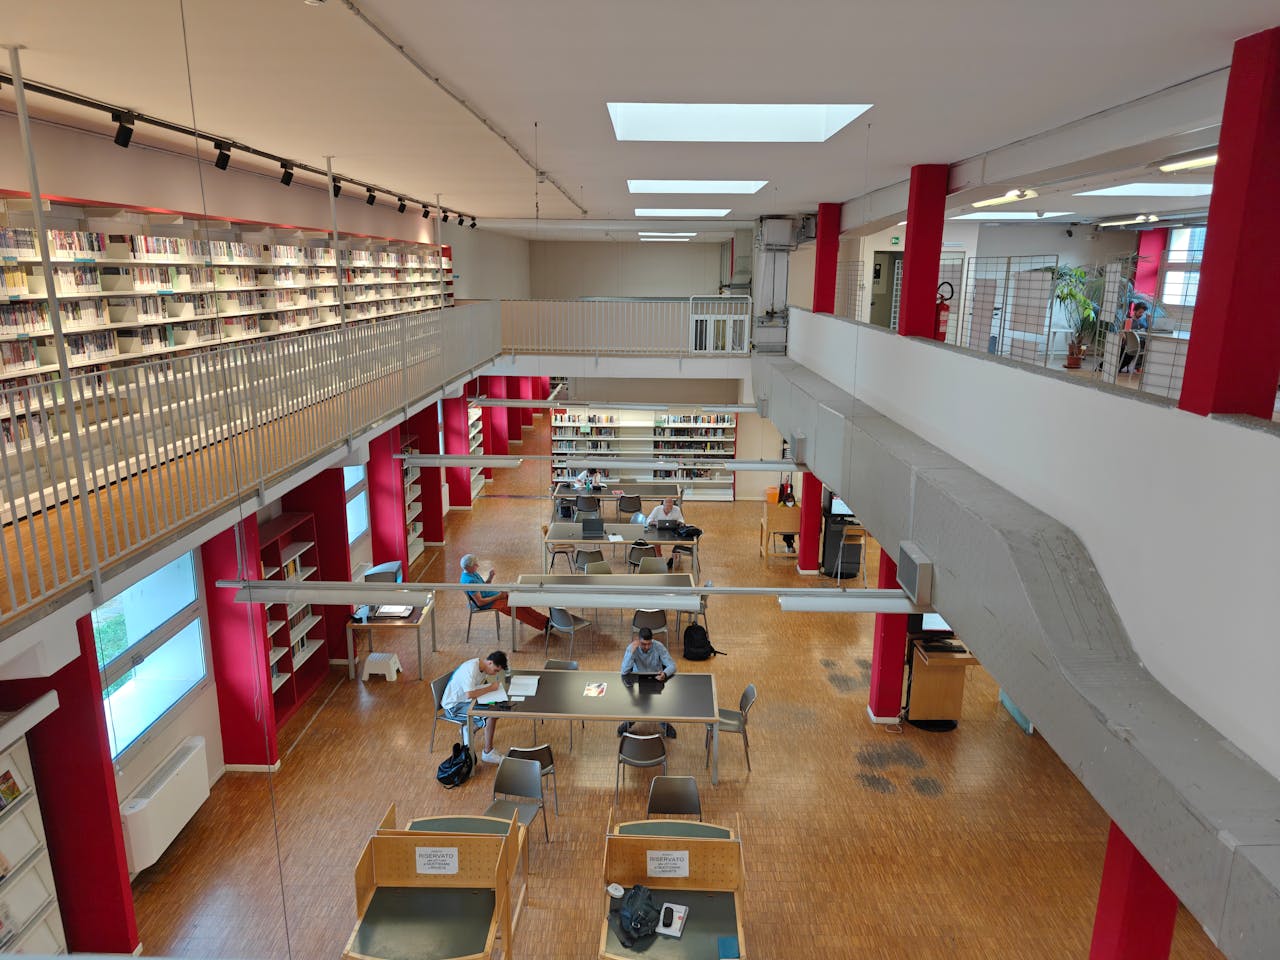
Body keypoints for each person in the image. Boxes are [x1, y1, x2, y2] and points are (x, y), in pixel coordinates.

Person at [441, 650, 509, 763]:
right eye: (496, 670)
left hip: (465, 701)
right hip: (453, 707)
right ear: (490, 663)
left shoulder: (481, 667)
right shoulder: (471, 670)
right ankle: (488, 753)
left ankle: (469, 728)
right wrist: (491, 688)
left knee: (497, 709)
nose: (495, 673)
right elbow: (470, 694)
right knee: (490, 717)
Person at [460, 555, 549, 633]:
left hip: (494, 596)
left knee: (519, 602)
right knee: (516, 610)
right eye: (475, 565)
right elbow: (480, 602)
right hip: (489, 603)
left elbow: (484, 587)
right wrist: (498, 596)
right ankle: (544, 625)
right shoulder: (469, 581)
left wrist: (490, 577)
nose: (478, 566)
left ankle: (545, 620)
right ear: (468, 567)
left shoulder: (472, 573)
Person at [618, 627, 677, 738]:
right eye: (644, 644)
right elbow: (624, 671)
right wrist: (632, 652)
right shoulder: (632, 648)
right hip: (638, 681)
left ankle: (663, 723)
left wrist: (664, 673)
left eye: (649, 644)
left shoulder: (658, 646)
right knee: (636, 704)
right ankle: (630, 721)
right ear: (638, 640)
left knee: (658, 705)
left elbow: (672, 666)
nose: (647, 647)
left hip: (656, 680)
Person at [646, 497, 686, 569]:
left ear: (673, 505)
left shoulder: (677, 509)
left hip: (673, 530)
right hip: (658, 530)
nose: (668, 508)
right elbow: (648, 520)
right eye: (666, 507)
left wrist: (678, 522)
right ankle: (659, 557)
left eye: (670, 507)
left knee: (679, 541)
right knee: (655, 541)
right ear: (663, 505)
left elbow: (682, 521)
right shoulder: (657, 509)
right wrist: (655, 523)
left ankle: (673, 559)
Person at [1118, 302, 1149, 374]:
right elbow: (1123, 332)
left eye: (1142, 313)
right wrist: (1124, 336)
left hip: (1138, 344)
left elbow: (1148, 330)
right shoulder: (1129, 320)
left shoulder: (1142, 322)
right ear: (1134, 311)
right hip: (1129, 345)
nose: (1141, 314)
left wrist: (1148, 320)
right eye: (1140, 312)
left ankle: (1137, 367)